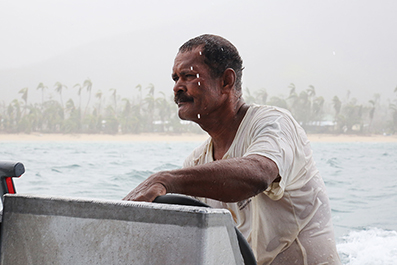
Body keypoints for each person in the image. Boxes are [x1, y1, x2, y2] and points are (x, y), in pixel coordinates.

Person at [123, 34, 341, 265]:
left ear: (226, 81)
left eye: (188, 76)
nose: (177, 87)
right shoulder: (196, 162)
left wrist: (166, 180)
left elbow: (258, 174)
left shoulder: (273, 124)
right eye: (175, 78)